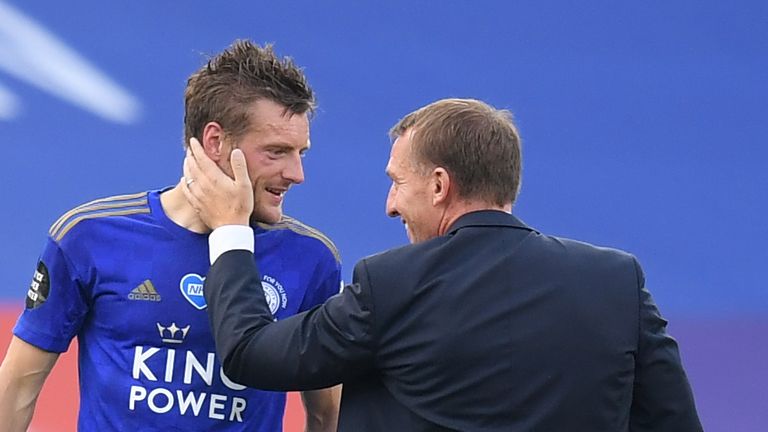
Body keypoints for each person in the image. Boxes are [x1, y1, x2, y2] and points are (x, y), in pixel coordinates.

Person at [184, 98, 703, 431]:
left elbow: (251, 354)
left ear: (438, 185)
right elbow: (674, 422)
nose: (389, 205)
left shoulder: (390, 285)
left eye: (396, 181)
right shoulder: (615, 282)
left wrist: (231, 231)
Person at [0, 40, 341, 431]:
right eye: (277, 152)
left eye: (301, 153)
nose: (297, 174)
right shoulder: (88, 236)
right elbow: (18, 387)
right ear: (215, 141)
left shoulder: (311, 259)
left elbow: (327, 413)